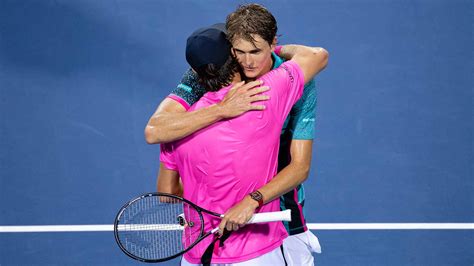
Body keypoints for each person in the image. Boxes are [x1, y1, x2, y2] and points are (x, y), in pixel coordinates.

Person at [146, 4, 327, 265]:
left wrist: (249, 199)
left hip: (282, 219)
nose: (249, 61)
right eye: (240, 52)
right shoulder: (216, 78)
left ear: (272, 43)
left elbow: (299, 167)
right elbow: (154, 130)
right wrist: (223, 109)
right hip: (246, 241)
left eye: (257, 51)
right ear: (230, 51)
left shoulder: (296, 84)